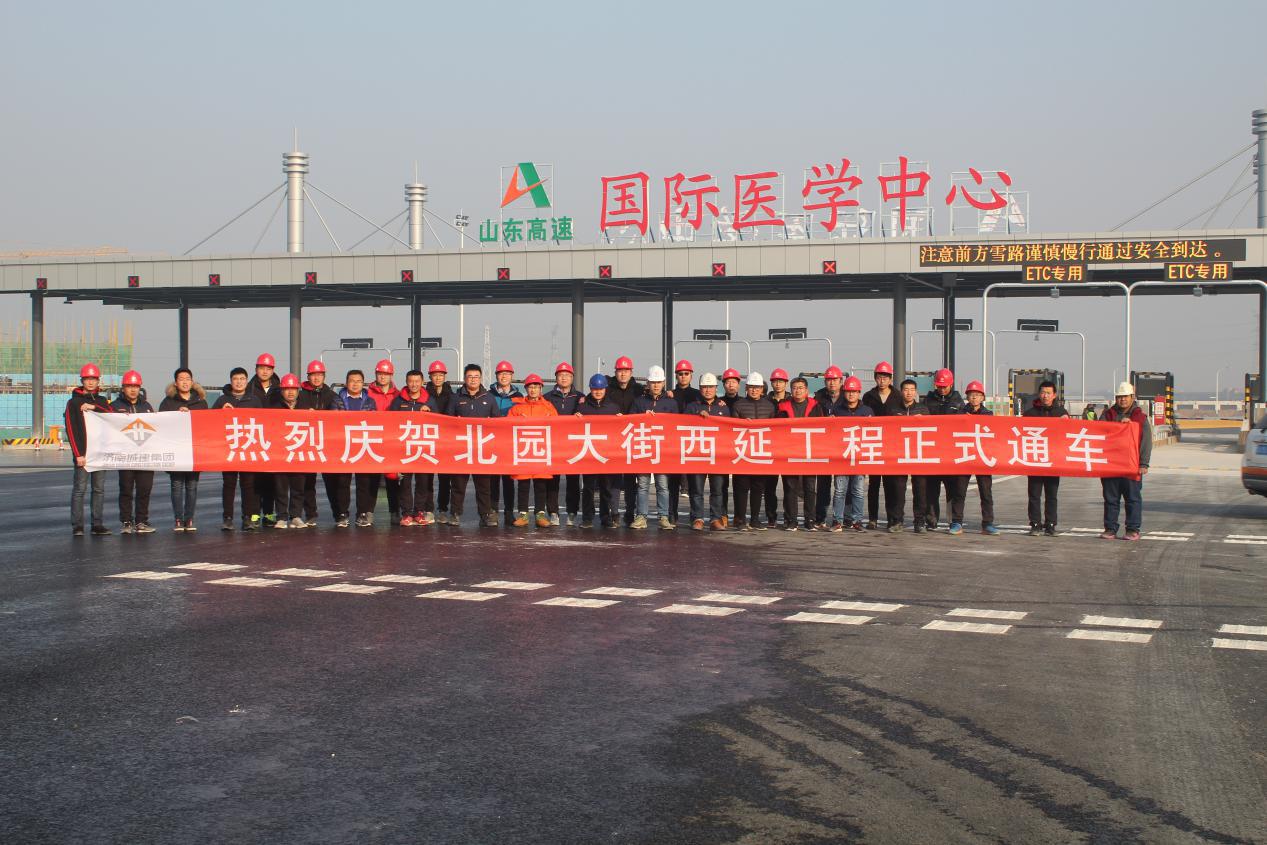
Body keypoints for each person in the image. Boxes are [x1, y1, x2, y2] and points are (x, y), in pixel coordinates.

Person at [447, 364, 503, 527]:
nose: (473, 380)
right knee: (458, 484)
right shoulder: (456, 398)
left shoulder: (488, 398)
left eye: (476, 377)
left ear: (481, 378)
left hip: (482, 449)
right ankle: (455, 513)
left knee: (483, 485)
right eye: (470, 377)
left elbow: (497, 422)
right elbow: (447, 421)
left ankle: (485, 514)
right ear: (464, 379)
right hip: (461, 448)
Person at [64, 362, 113, 537]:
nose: (91, 382)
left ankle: (97, 524)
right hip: (83, 455)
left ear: (98, 381)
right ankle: (77, 526)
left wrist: (94, 407)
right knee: (80, 490)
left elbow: (112, 415)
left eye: (94, 379)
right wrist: (78, 454)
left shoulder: (102, 401)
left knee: (99, 490)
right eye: (87, 379)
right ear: (82, 381)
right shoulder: (73, 403)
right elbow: (71, 429)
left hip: (100, 454)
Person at [212, 366, 263, 530]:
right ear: (231, 381)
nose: (239, 382)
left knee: (248, 485)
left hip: (248, 448)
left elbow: (263, 423)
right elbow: (210, 422)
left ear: (247, 381)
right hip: (229, 449)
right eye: (235, 379)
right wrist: (221, 412)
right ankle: (227, 518)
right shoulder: (222, 400)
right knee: (229, 484)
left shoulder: (254, 400)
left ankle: (247, 518)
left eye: (242, 379)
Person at [1100, 382, 1152, 541]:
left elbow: (1146, 442)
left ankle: (1133, 529)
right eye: (1119, 397)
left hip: (1131, 465)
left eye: (1125, 396)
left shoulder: (1140, 418)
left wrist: (1143, 463)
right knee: (1111, 499)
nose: (1122, 399)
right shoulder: (1107, 415)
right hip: (1111, 465)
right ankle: (1110, 528)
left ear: (1132, 397)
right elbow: (1098, 433)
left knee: (1132, 499)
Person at [159, 367, 209, 531]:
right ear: (176, 383)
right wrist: (177, 414)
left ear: (192, 381)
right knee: (177, 485)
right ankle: (178, 519)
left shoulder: (200, 402)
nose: (185, 382)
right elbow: (162, 424)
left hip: (194, 450)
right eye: (181, 379)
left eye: (188, 379)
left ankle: (189, 519)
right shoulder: (168, 402)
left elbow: (206, 425)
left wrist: (191, 414)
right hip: (176, 449)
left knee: (192, 485)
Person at [631, 365, 678, 529]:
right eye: (653, 382)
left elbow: (676, 426)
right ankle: (641, 516)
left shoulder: (671, 403)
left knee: (662, 486)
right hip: (643, 448)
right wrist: (641, 417)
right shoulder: (639, 402)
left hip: (662, 451)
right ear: (648, 383)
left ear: (663, 383)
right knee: (642, 485)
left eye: (658, 382)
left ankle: (663, 517)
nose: (656, 385)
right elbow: (629, 422)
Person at [507, 373, 558, 527]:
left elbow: (558, 426)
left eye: (536, 387)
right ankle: (523, 514)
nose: (533, 389)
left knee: (540, 483)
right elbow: (507, 426)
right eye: (530, 387)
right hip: (523, 450)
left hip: (541, 450)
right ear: (526, 389)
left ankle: (540, 514)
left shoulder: (548, 407)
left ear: (541, 388)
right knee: (523, 483)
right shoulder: (516, 408)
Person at [111, 369, 156, 535]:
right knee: (126, 489)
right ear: (123, 388)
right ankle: (126, 521)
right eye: (129, 386)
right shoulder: (115, 407)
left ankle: (142, 521)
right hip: (125, 456)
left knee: (144, 489)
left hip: (145, 456)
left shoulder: (147, 407)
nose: (132, 390)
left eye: (135, 386)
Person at [684, 373, 731, 530]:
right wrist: (697, 417)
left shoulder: (723, 407)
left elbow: (729, 430)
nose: (708, 390)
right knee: (696, 490)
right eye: (705, 387)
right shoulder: (692, 407)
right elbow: (683, 426)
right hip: (697, 454)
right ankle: (697, 518)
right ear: (700, 388)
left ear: (716, 388)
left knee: (717, 490)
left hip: (717, 455)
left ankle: (715, 519)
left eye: (711, 387)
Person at [774, 377, 822, 530]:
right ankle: (791, 520)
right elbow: (777, 428)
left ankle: (810, 520)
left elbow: (823, 427)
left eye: (801, 388)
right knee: (790, 488)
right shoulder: (783, 407)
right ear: (791, 390)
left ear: (806, 390)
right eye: (795, 388)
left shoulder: (816, 407)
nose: (798, 390)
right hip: (790, 452)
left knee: (810, 488)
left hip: (809, 453)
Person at [730, 372, 776, 530]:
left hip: (761, 452)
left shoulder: (769, 406)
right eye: (751, 387)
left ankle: (755, 519)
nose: (754, 390)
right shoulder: (738, 405)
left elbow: (774, 429)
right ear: (746, 388)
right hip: (742, 452)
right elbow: (732, 427)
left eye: (757, 387)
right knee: (741, 488)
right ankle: (740, 519)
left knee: (758, 487)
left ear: (762, 389)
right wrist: (743, 424)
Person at [388, 369, 434, 526]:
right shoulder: (398, 401)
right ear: (406, 382)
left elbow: (439, 422)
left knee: (423, 482)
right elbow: (390, 423)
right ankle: (407, 513)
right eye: (411, 381)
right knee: (404, 482)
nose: (414, 384)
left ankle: (419, 512)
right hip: (404, 448)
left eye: (417, 381)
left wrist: (430, 413)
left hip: (423, 448)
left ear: (422, 382)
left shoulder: (429, 401)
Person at [924, 368, 967, 534]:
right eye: (939, 386)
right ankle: (931, 520)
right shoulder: (928, 401)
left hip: (950, 454)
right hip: (932, 452)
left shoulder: (958, 403)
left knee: (953, 490)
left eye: (945, 386)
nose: (942, 389)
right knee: (931, 490)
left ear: (951, 384)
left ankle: (953, 521)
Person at [1023, 380, 1069, 536]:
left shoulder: (1061, 413)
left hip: (1053, 460)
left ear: (1054, 395)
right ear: (1039, 394)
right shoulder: (1029, 414)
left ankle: (1050, 524)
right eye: (1043, 392)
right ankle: (1035, 524)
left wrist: (1067, 423)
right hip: (1035, 459)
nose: (1045, 396)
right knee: (1034, 494)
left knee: (1052, 495)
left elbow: (1068, 435)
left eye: (1048, 393)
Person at [576, 373, 622, 528]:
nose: (598, 392)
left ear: (605, 389)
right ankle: (587, 518)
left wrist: (621, 420)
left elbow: (620, 430)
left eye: (601, 389)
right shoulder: (582, 407)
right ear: (590, 389)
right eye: (595, 389)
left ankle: (605, 516)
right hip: (589, 453)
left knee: (606, 487)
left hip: (606, 453)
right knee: (588, 487)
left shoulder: (613, 407)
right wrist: (576, 417)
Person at [301, 359, 343, 527]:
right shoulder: (301, 395)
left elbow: (340, 416)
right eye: (313, 375)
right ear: (308, 377)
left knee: (332, 482)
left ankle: (338, 514)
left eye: (319, 375)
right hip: (307, 442)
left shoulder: (332, 395)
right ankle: (310, 514)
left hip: (328, 444)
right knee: (307, 482)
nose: (316, 378)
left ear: (324, 376)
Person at [336, 369, 380, 528]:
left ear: (363, 384)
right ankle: (342, 513)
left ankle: (362, 512)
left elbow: (374, 420)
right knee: (342, 482)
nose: (355, 384)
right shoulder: (337, 400)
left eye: (358, 381)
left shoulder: (370, 401)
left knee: (364, 481)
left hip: (363, 444)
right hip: (344, 445)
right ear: (346, 383)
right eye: (352, 381)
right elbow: (333, 420)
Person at [886, 379, 930, 533]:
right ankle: (897, 521)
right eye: (906, 389)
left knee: (920, 489)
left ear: (916, 392)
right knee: (898, 490)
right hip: (899, 454)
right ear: (901, 391)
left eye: (912, 389)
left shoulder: (923, 410)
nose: (909, 393)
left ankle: (920, 522)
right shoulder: (893, 410)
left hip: (918, 454)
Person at [862, 361, 901, 530]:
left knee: (891, 485)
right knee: (874, 485)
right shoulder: (868, 396)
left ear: (891, 379)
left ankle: (893, 519)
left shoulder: (898, 396)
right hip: (874, 444)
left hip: (892, 446)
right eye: (879, 377)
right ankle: (873, 519)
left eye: (885, 377)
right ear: (875, 378)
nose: (882, 380)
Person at [833, 376, 874, 532]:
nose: (851, 394)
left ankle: (857, 521)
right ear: (844, 392)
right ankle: (837, 521)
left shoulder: (867, 411)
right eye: (848, 391)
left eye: (854, 391)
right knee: (840, 491)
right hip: (841, 457)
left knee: (858, 491)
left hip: (859, 457)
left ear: (859, 393)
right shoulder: (837, 411)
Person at [268, 373, 309, 528]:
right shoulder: (274, 408)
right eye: (287, 389)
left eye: (293, 389)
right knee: (280, 487)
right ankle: (281, 517)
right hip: (281, 454)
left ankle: (296, 516)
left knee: (298, 486)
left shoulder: (305, 407)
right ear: (281, 391)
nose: (290, 392)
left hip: (299, 452)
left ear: (298, 390)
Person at [544, 362, 582, 526]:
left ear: (572, 378)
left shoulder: (580, 398)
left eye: (567, 375)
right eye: (561, 375)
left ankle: (572, 512)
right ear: (556, 378)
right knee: (552, 481)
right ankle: (553, 512)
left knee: (573, 481)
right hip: (553, 445)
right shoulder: (547, 398)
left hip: (573, 445)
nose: (564, 378)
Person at [246, 352, 281, 526]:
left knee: (271, 479)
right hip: (254, 439)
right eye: (262, 368)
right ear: (256, 369)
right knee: (254, 480)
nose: (265, 371)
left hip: (274, 440)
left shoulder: (280, 388)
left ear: (273, 370)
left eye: (268, 368)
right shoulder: (249, 388)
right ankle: (253, 514)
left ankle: (268, 513)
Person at [963, 381, 1001, 535]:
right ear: (967, 397)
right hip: (964, 456)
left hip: (982, 457)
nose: (974, 398)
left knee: (985, 492)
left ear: (982, 397)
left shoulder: (988, 415)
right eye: (971, 395)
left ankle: (988, 523)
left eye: (977, 395)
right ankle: (956, 522)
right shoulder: (959, 414)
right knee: (959, 491)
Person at [607, 356, 641, 526]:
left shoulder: (639, 390)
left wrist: (667, 393)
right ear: (615, 372)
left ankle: (629, 512)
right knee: (614, 479)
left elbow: (654, 396)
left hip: (632, 440)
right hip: (613, 441)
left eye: (626, 371)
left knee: (630, 480)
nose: (623, 374)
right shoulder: (608, 389)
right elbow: (596, 398)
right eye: (620, 370)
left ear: (631, 372)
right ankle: (614, 513)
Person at [811, 365, 846, 530]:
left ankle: (843, 518)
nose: (832, 383)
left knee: (842, 485)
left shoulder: (848, 396)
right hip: (823, 447)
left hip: (843, 446)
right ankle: (820, 518)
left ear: (841, 381)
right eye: (829, 380)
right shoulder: (818, 398)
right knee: (823, 485)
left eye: (835, 380)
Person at [367, 358, 401, 522]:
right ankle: (368, 512)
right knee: (371, 479)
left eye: (386, 374)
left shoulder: (398, 395)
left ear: (391, 375)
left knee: (392, 478)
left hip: (391, 441)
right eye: (380, 373)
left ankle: (395, 511)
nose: (382, 377)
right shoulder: (368, 393)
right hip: (372, 440)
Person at [489, 360, 522, 525]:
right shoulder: (488, 395)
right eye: (501, 374)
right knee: (492, 481)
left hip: (510, 443)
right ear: (496, 376)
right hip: (492, 442)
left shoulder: (519, 396)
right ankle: (493, 511)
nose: (504, 376)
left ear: (512, 376)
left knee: (509, 481)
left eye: (507, 374)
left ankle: (509, 513)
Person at [667, 359, 700, 526]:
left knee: (694, 483)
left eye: (686, 373)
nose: (683, 376)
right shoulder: (669, 395)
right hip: (674, 442)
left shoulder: (698, 394)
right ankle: (672, 515)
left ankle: (695, 516)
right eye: (680, 374)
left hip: (693, 441)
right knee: (672, 483)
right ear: (676, 376)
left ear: (691, 375)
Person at [425, 361, 455, 525]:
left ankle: (443, 509)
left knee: (445, 479)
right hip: (429, 439)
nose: (438, 378)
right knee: (426, 478)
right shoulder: (424, 395)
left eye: (440, 375)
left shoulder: (451, 395)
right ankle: (428, 509)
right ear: (430, 376)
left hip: (446, 441)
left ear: (444, 376)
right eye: (435, 375)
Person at [763, 367, 791, 528]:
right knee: (769, 487)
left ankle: (789, 517)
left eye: (781, 381)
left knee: (789, 486)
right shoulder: (765, 401)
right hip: (770, 448)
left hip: (788, 448)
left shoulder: (793, 401)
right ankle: (771, 517)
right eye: (775, 381)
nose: (778, 384)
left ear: (786, 383)